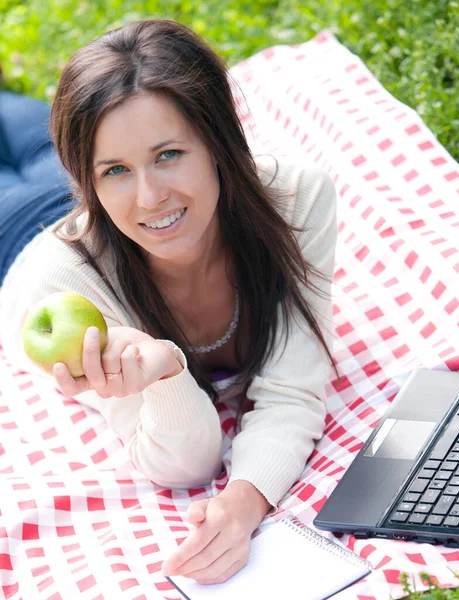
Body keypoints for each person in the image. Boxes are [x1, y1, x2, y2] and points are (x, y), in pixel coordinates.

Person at [0, 19, 337, 585]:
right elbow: (183, 465)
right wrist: (161, 379)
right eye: (116, 170)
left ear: (218, 141)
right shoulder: (63, 285)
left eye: (169, 154)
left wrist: (242, 503)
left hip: (83, 213)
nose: (151, 197)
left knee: (26, 137)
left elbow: (294, 390)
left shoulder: (298, 200)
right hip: (22, 242)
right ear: (90, 179)